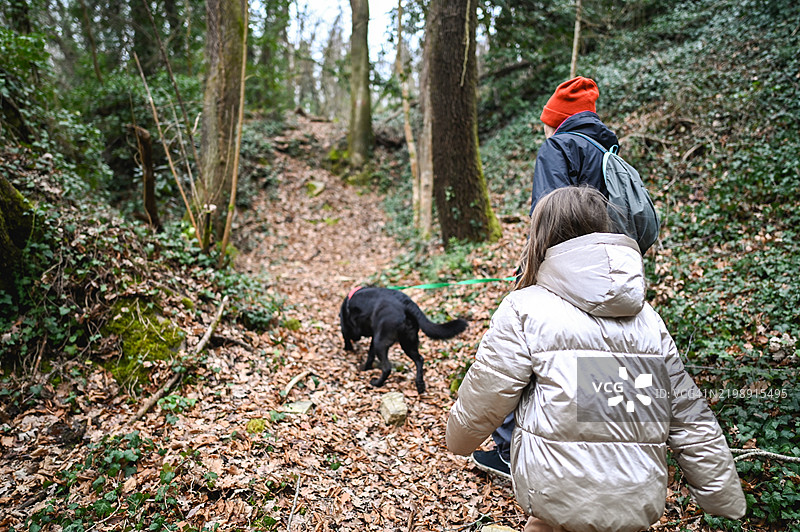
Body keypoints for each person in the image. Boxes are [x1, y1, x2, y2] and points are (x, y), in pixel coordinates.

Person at [447, 186, 746, 532]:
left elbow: (487, 394)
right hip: (637, 496)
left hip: (556, 493)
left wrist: (459, 439)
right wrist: (721, 494)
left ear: (542, 238)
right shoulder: (647, 319)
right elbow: (689, 417)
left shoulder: (525, 308)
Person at [471, 76, 628, 478]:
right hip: (612, 272)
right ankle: (595, 456)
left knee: (528, 348)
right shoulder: (609, 152)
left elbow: (549, 217)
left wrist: (531, 271)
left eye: (547, 119)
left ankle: (507, 450)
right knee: (596, 352)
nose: (543, 126)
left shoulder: (557, 147)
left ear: (558, 119)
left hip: (564, 271)